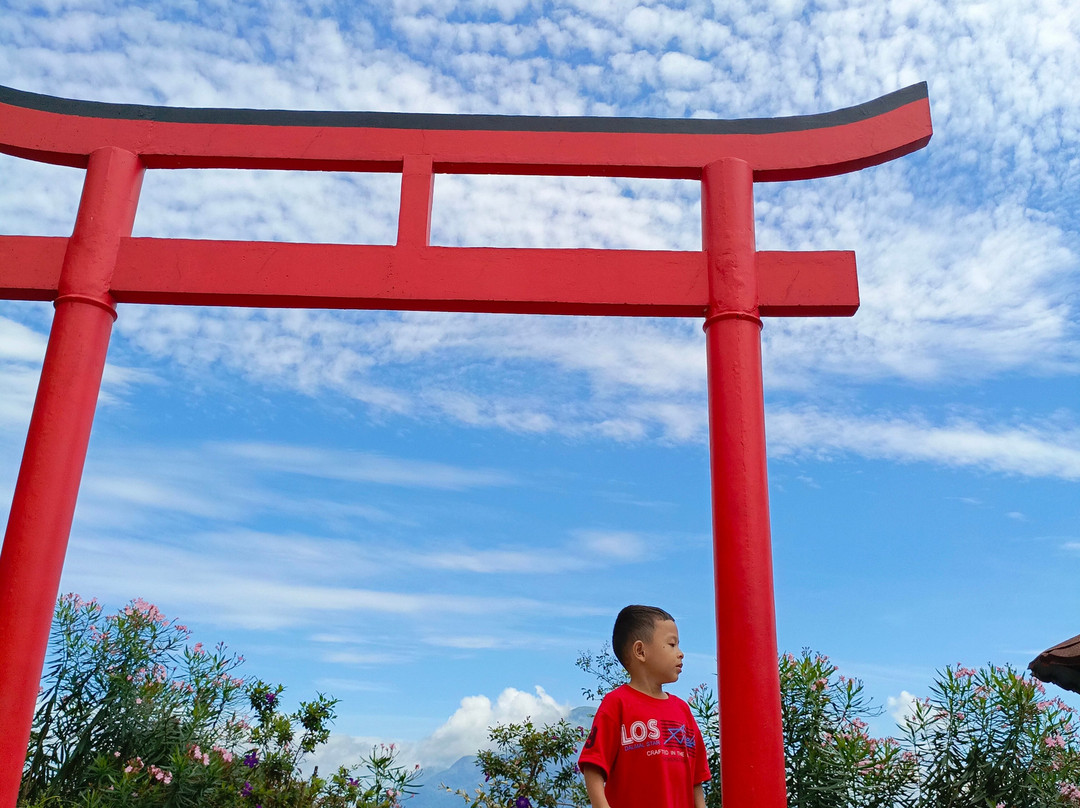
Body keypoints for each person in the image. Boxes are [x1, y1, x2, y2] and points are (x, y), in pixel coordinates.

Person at [579, 605, 710, 808]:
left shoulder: (682, 710)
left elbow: (696, 779)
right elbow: (593, 767)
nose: (681, 653)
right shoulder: (617, 703)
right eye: (672, 644)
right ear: (640, 651)